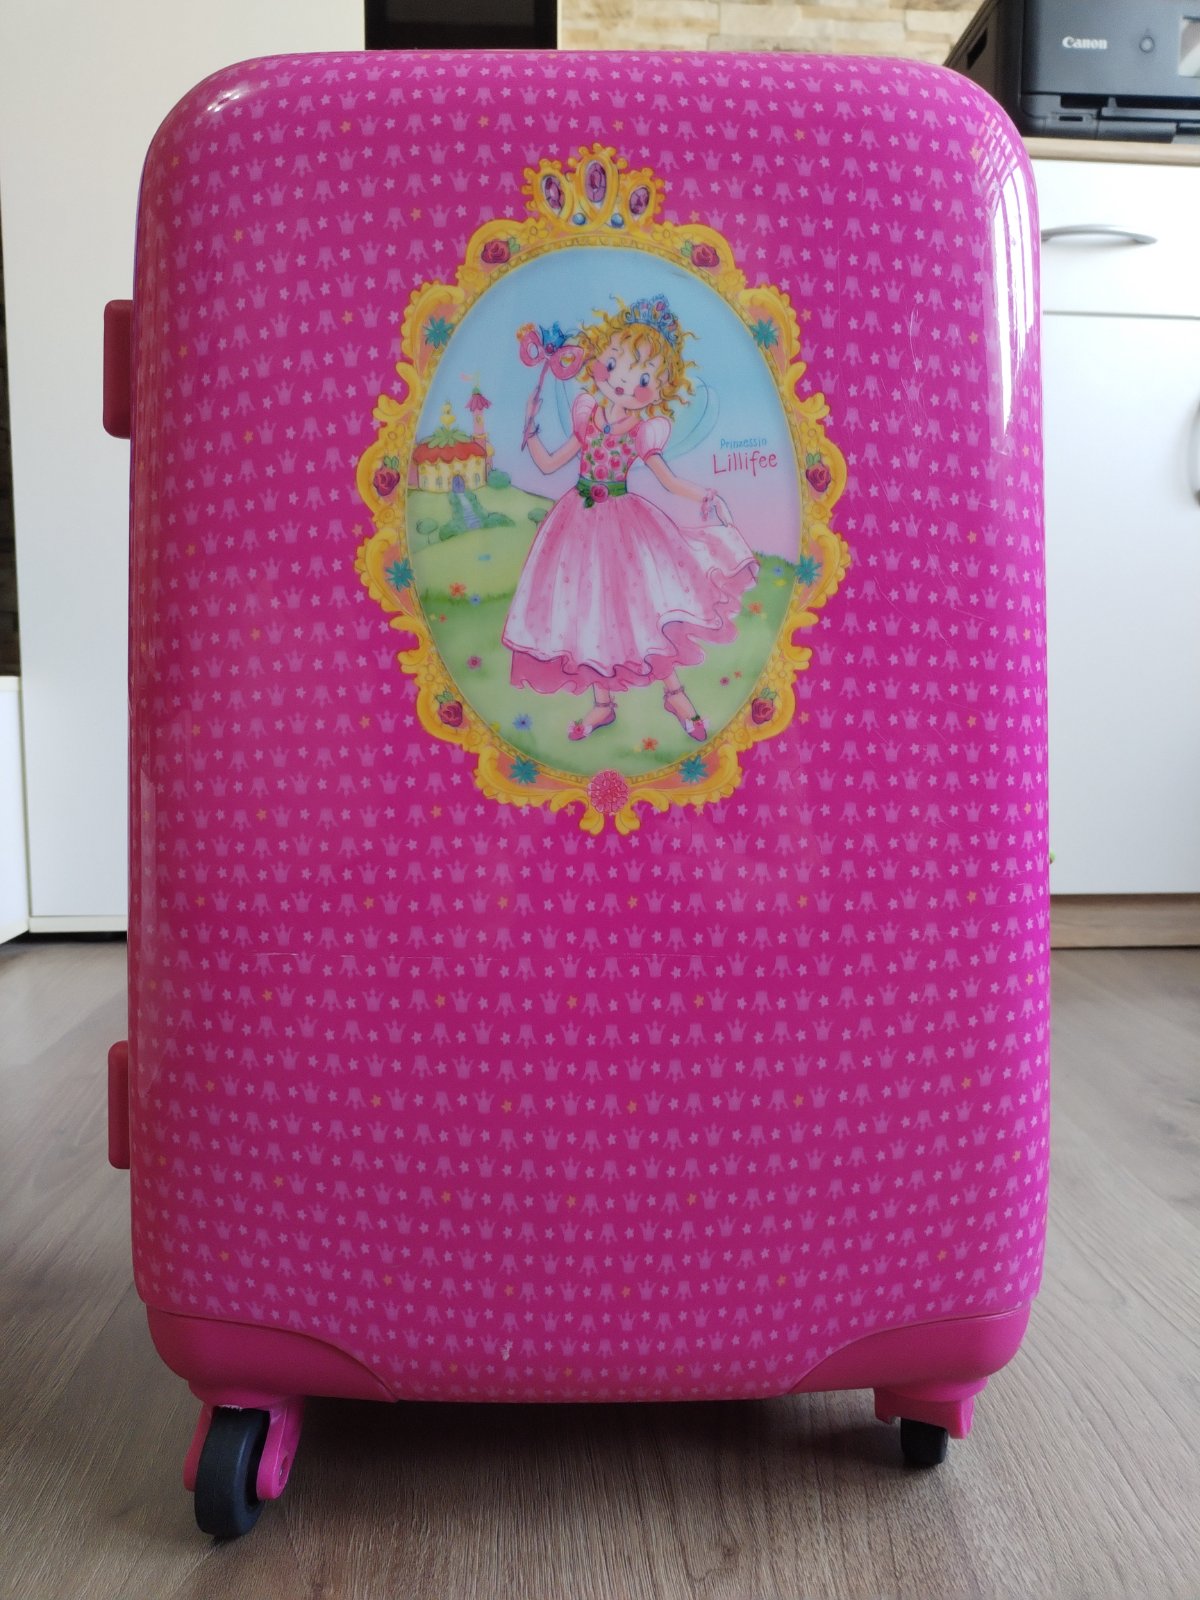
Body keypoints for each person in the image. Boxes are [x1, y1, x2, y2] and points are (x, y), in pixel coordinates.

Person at [502, 295, 759, 743]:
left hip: (624, 526)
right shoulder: (587, 417)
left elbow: (668, 480)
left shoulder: (642, 432)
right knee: (588, 611)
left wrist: (707, 494)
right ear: (599, 361)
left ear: (659, 390)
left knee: (641, 609)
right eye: (615, 364)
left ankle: (674, 693)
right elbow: (548, 464)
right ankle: (603, 704)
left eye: (642, 378)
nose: (622, 381)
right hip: (576, 525)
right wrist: (530, 429)